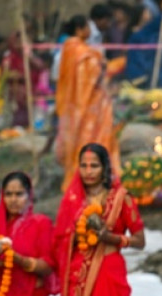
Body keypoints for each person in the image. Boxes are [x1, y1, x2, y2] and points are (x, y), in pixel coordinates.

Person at [54, 143, 146, 296]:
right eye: (84, 166)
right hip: (77, 273)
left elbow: (140, 241)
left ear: (105, 168)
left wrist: (111, 238)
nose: (88, 171)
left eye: (94, 166)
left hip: (109, 270)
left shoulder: (121, 198)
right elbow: (59, 239)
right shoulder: (72, 200)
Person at [55, 15, 120, 193]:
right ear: (80, 29)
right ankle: (95, 182)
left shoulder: (68, 50)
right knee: (93, 142)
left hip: (74, 107)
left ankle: (80, 181)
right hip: (91, 106)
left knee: (79, 144)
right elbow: (92, 77)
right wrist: (104, 65)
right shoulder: (83, 53)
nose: (91, 30)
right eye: (88, 27)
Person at [125, 5, 162, 89]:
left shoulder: (157, 35)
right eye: (146, 11)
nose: (149, 13)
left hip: (151, 77)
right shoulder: (139, 35)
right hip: (140, 76)